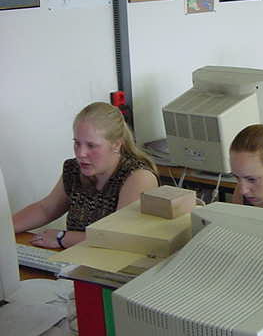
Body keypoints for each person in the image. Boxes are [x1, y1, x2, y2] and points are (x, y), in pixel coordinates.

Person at [13, 102, 159, 248]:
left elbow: (121, 237)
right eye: (77, 143)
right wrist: (6, 228)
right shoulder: (74, 169)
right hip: (77, 256)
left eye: (91, 145)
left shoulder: (139, 176)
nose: (81, 153)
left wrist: (62, 238)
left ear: (116, 144)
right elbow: (45, 210)